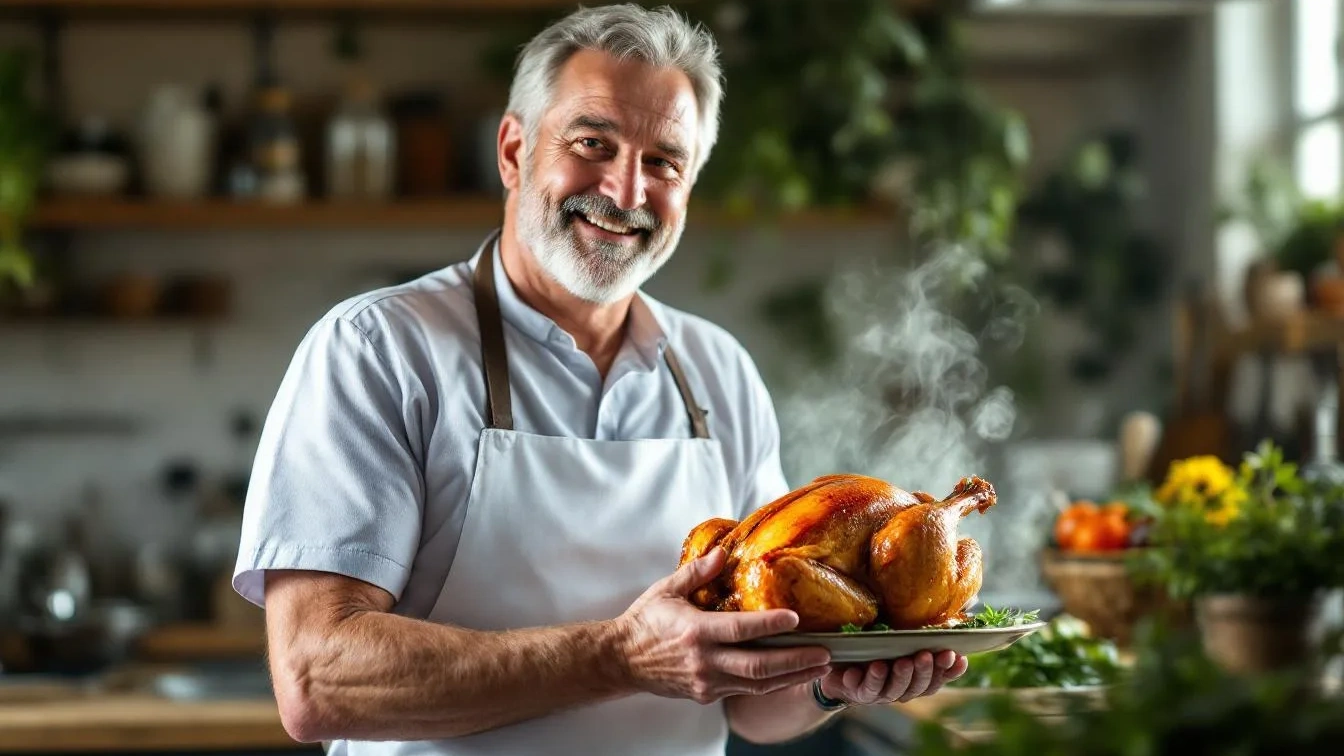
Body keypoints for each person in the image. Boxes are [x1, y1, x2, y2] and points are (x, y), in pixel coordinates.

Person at [233, 5, 968, 755]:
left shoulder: (717, 370)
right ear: (516, 152)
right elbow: (317, 678)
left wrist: (827, 680)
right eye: (593, 143)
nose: (624, 191)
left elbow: (754, 708)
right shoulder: (378, 350)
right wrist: (621, 656)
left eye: (663, 163)